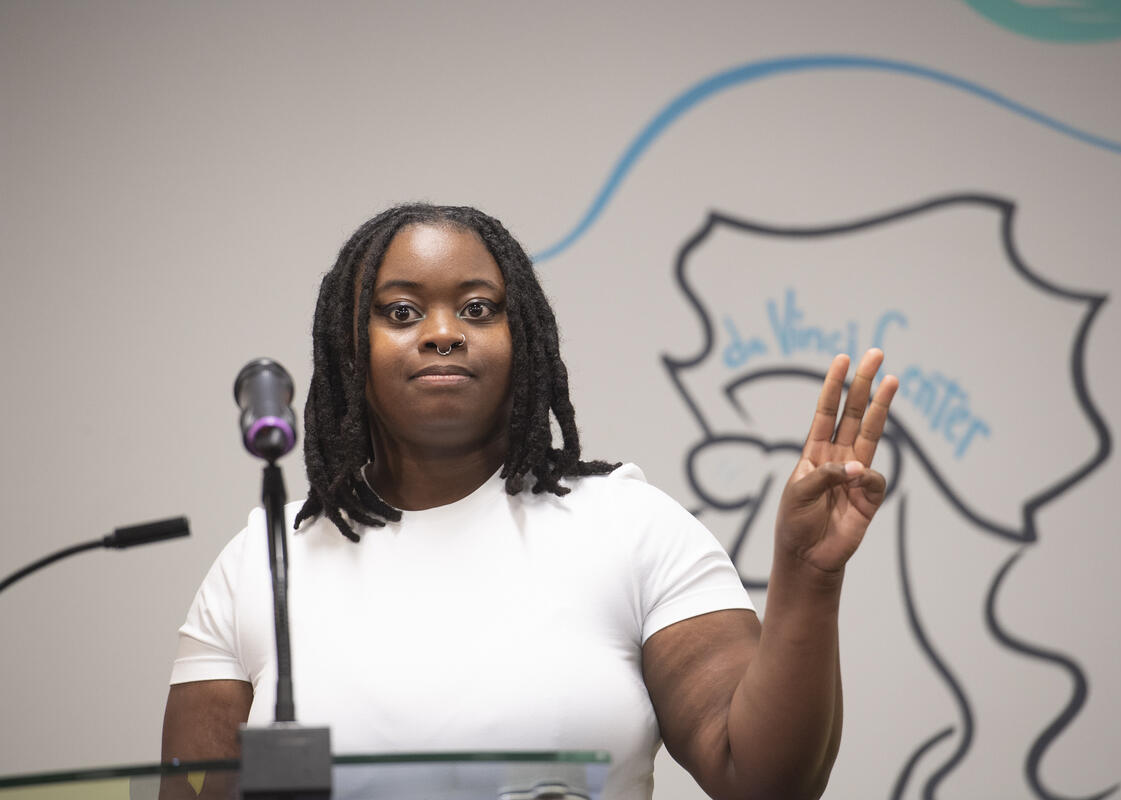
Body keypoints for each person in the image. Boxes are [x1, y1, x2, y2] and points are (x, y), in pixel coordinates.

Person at [161, 203, 898, 800]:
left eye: (479, 309)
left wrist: (808, 575)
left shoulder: (628, 526)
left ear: (526, 341)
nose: (444, 334)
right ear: (350, 347)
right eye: (402, 311)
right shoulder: (261, 562)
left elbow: (764, 781)